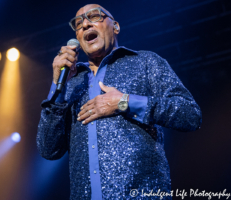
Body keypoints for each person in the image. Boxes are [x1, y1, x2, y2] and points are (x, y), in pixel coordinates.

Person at [37, 4, 202, 200]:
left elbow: (190, 115)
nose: (85, 24)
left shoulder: (145, 62)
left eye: (94, 16)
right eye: (78, 23)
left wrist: (125, 102)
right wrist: (58, 84)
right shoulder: (71, 84)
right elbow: (48, 149)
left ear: (115, 26)